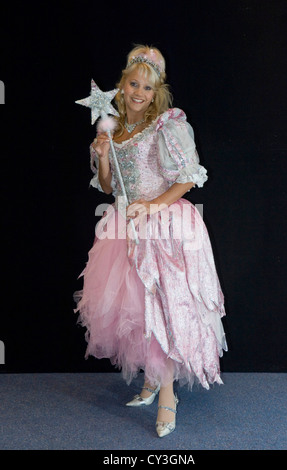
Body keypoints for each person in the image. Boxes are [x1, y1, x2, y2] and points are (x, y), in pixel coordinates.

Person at [74, 45, 227, 438]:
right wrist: (104, 155)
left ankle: (167, 396)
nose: (139, 92)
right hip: (123, 226)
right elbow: (109, 187)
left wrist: (153, 206)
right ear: (121, 86)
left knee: (164, 307)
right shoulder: (112, 128)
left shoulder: (166, 126)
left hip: (163, 224)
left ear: (157, 91)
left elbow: (189, 177)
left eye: (148, 86)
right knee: (137, 310)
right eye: (133, 83)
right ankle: (150, 380)